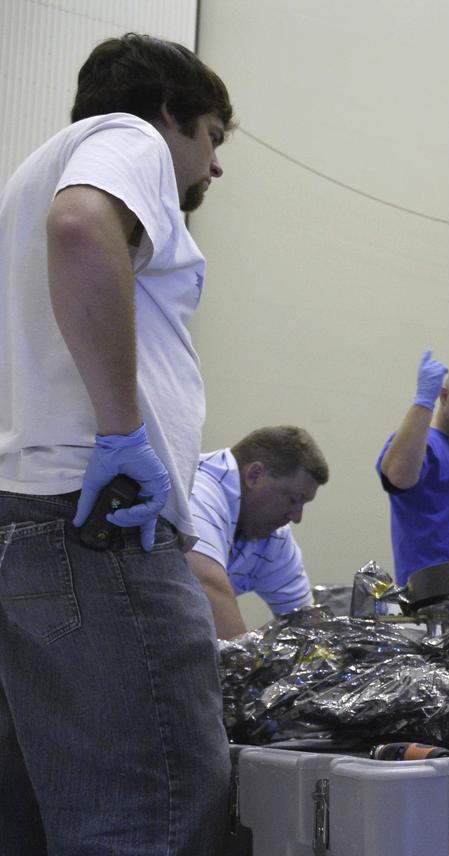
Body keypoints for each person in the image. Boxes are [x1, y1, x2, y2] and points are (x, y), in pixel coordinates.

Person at [0, 33, 233, 853]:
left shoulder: (24, 182)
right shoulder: (129, 139)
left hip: (29, 524)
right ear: (170, 113)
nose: (215, 165)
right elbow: (81, 227)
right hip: (103, 525)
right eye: (212, 136)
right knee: (150, 818)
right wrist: (123, 431)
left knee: (40, 822)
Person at [187, 426, 329, 638]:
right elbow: (209, 590)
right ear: (254, 475)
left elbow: (307, 628)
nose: (297, 517)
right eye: (293, 499)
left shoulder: (273, 535)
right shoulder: (196, 490)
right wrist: (249, 669)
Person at [378, 349, 449, 585]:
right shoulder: (424, 444)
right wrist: (422, 402)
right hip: (435, 603)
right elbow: (398, 476)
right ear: (444, 396)